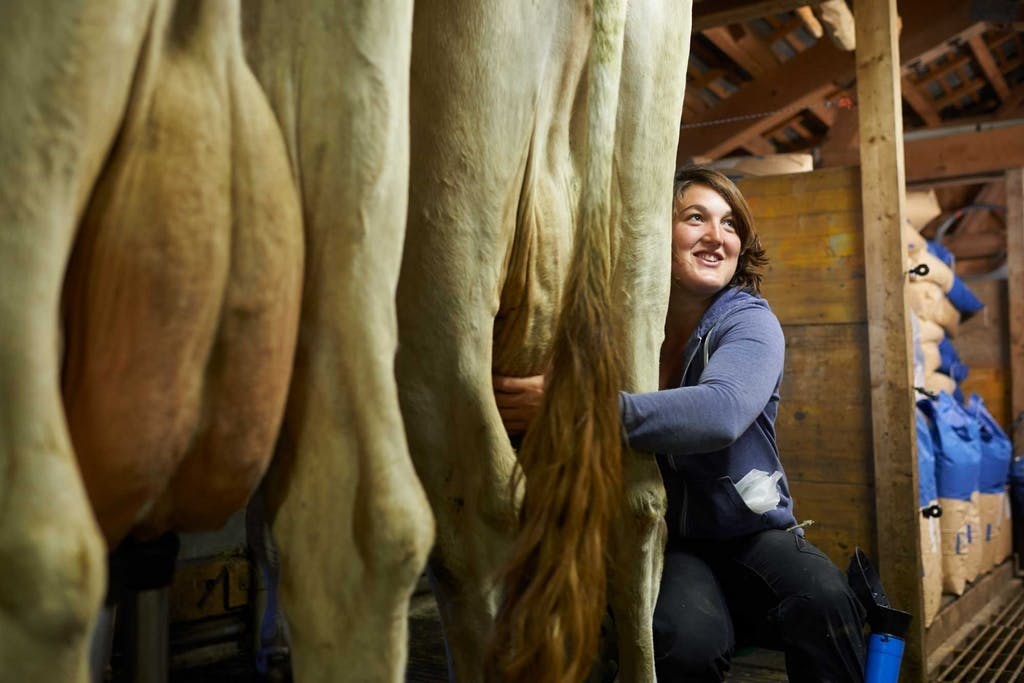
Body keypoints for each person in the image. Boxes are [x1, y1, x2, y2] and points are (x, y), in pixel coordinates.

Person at [493, 167, 867, 682]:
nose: (717, 237)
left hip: (750, 532)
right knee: (682, 644)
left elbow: (721, 412)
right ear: (654, 232)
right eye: (696, 218)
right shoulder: (618, 327)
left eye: (731, 224)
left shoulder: (748, 321)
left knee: (827, 602)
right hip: (668, 538)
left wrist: (575, 410)